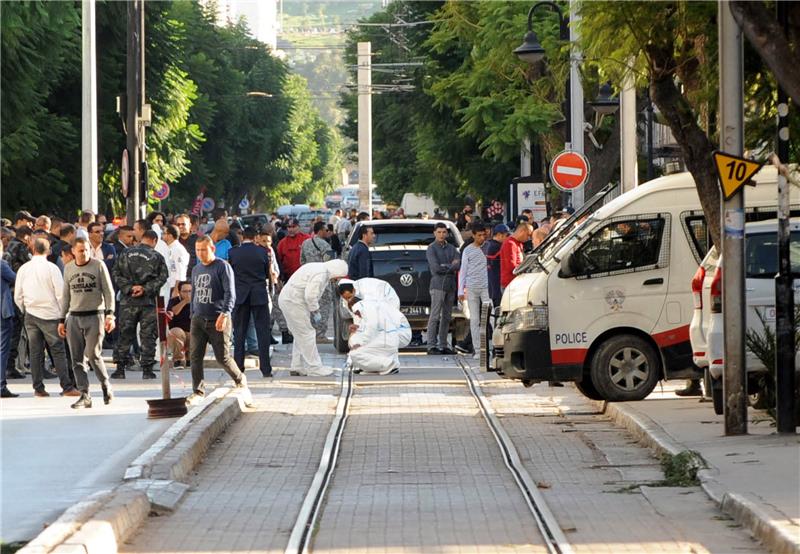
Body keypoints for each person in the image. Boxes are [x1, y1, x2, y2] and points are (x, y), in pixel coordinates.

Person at [14, 238, 79, 397]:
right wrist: (64, 316)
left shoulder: (23, 269)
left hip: (31, 313)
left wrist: (25, 309)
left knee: (35, 352)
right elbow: (60, 295)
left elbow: (18, 295)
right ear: (48, 250)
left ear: (32, 249)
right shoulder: (52, 268)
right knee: (58, 351)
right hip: (51, 315)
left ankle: (38, 388)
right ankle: (67, 386)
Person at [187, 236, 249, 403]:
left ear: (212, 249)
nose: (200, 253)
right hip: (198, 318)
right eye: (198, 250)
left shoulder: (222, 267)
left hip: (218, 318)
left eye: (204, 250)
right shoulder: (196, 269)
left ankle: (239, 379)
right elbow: (193, 294)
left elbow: (230, 293)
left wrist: (225, 313)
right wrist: (192, 314)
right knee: (195, 356)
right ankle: (198, 391)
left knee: (222, 357)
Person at [58, 238, 116, 408]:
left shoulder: (98, 265)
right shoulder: (68, 268)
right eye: (81, 250)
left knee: (92, 354)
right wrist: (62, 320)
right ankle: (85, 394)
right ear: (73, 252)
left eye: (86, 250)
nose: (84, 253)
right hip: (74, 316)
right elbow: (66, 296)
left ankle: (106, 385)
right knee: (76, 358)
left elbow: (108, 291)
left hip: (95, 315)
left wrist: (110, 314)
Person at [112, 229, 168, 379]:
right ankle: (147, 370)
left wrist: (129, 288)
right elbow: (163, 278)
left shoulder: (125, 253)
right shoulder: (157, 256)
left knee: (125, 334)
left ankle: (120, 369)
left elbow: (116, 273)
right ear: (154, 241)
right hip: (148, 302)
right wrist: (145, 289)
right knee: (148, 336)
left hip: (127, 301)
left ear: (141, 239)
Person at [278, 259, 349, 376]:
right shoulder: (321, 274)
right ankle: (314, 367)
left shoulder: (318, 268)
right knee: (307, 334)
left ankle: (297, 366)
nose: (335, 281)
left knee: (299, 334)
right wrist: (315, 310)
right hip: (294, 302)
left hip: (290, 300)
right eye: (337, 278)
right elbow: (310, 295)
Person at [228, 227, 273, 378]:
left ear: (242, 237)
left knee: (239, 333)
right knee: (263, 332)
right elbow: (267, 273)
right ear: (255, 237)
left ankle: (238, 368)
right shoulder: (263, 251)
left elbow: (231, 274)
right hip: (259, 294)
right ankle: (266, 369)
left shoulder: (233, 252)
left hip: (240, 295)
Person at [347, 298, 410, 375]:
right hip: (396, 334)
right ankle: (381, 366)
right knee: (367, 347)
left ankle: (389, 364)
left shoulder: (363, 307)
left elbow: (371, 328)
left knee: (355, 354)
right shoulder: (373, 306)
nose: (356, 315)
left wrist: (360, 344)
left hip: (398, 333)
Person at [457, 221, 491, 357]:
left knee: (489, 319)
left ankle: (490, 349)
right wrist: (460, 291)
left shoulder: (488, 248)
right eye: (479, 235)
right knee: (475, 320)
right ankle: (478, 350)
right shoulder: (468, 250)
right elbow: (463, 271)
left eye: (484, 235)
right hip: (472, 288)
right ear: (473, 235)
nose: (482, 238)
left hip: (487, 288)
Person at [426, 223, 460, 355]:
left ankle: (443, 344)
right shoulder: (431, 248)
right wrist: (450, 266)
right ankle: (431, 345)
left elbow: (458, 263)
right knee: (434, 316)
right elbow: (435, 268)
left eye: (444, 232)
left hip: (450, 285)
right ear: (434, 233)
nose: (441, 234)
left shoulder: (452, 248)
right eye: (439, 232)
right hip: (437, 285)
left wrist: (446, 266)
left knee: (447, 316)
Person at [301, 221, 336, 341]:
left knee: (311, 306)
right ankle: (320, 334)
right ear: (320, 230)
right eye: (326, 230)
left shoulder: (305, 243)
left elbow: (302, 261)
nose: (328, 232)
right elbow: (330, 264)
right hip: (323, 281)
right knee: (324, 307)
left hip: (309, 280)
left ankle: (312, 332)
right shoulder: (325, 245)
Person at [1, 241, 18, 398]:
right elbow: (15, 278)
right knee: (2, 349)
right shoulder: (2, 264)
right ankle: (1, 386)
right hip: (2, 313)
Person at [500, 219, 533, 292]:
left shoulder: (518, 243)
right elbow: (511, 266)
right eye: (528, 235)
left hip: (516, 283)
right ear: (522, 231)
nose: (528, 238)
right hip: (510, 284)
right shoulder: (510, 244)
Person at [166, 281, 192, 369]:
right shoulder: (174, 300)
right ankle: (178, 360)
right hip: (177, 333)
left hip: (191, 333)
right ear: (179, 292)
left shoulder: (197, 301)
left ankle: (191, 359)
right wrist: (185, 301)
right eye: (185, 291)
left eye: (190, 291)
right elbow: (174, 312)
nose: (188, 293)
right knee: (177, 332)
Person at [483, 224, 509, 306]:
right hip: (497, 286)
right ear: (499, 235)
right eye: (506, 235)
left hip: (492, 286)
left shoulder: (488, 244)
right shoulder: (497, 247)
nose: (508, 238)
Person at [276, 218, 309, 282]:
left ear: (298, 227)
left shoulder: (306, 239)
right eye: (289, 227)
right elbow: (278, 261)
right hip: (288, 278)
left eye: (293, 227)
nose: (291, 229)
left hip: (304, 277)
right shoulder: (282, 243)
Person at [163, 224, 189, 298]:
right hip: (169, 286)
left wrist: (176, 289)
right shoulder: (169, 248)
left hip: (175, 287)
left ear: (170, 235)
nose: (162, 236)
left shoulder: (178, 249)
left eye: (164, 233)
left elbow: (180, 270)